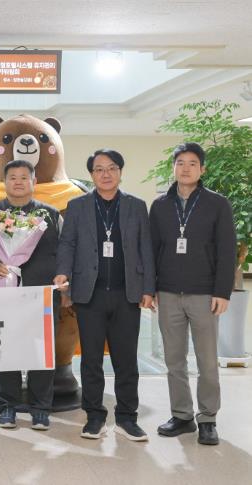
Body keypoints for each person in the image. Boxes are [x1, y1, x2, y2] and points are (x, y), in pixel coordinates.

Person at [54, 149, 155, 442]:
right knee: (91, 360)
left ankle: (127, 418)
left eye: (111, 168)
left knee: (126, 360)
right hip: (90, 294)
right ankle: (94, 417)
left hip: (127, 294)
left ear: (120, 172)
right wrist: (63, 273)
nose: (105, 174)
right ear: (92, 175)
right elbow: (67, 243)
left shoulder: (136, 206)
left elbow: (146, 248)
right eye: (99, 169)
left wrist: (148, 289)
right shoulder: (77, 206)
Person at [150, 142, 236, 446]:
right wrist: (150, 288)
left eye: (192, 163)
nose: (185, 168)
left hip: (204, 294)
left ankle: (208, 418)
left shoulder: (217, 204)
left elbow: (227, 250)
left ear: (202, 169)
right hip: (168, 293)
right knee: (174, 360)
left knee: (207, 361)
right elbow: (152, 249)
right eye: (180, 163)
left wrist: (222, 292)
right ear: (173, 167)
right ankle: (182, 415)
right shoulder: (160, 205)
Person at [0, 160, 60, 431]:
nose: (18, 182)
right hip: (3, 292)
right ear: (4, 182)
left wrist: (63, 282)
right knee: (4, 349)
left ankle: (41, 409)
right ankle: (7, 406)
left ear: (34, 182)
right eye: (12, 177)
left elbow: (64, 252)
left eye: (24, 177)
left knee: (41, 350)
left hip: (41, 294)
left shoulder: (50, 215)